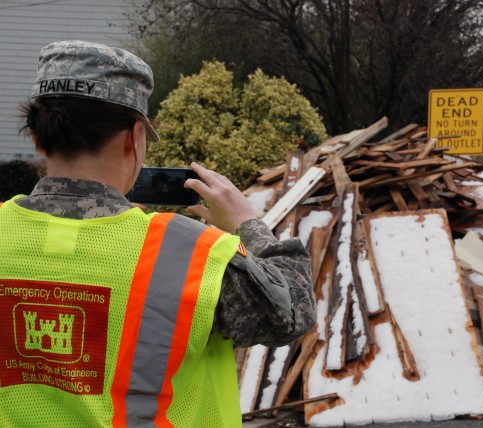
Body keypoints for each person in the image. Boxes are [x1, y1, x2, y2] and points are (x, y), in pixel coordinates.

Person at [0, 40, 315, 427]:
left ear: (36, 137)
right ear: (134, 136)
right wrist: (246, 223)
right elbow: (292, 312)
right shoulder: (190, 255)